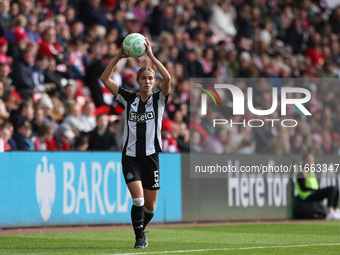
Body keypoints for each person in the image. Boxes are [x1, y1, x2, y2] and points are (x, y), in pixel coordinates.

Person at [100, 37, 171, 249]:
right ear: (138, 81)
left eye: (151, 78)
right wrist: (119, 56)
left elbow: (167, 78)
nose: (148, 81)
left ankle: (141, 228)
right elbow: (105, 79)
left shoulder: (159, 100)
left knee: (150, 207)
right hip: (130, 157)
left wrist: (151, 57)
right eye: (144, 78)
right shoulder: (128, 98)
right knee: (138, 201)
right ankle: (139, 237)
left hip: (151, 157)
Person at [295, 153, 340, 220]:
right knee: (331, 189)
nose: (310, 163)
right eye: (308, 161)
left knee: (335, 188)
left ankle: (335, 209)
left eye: (312, 161)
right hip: (307, 196)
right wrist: (312, 190)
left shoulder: (311, 172)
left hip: (314, 193)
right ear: (304, 161)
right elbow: (303, 188)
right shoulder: (301, 173)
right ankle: (330, 211)